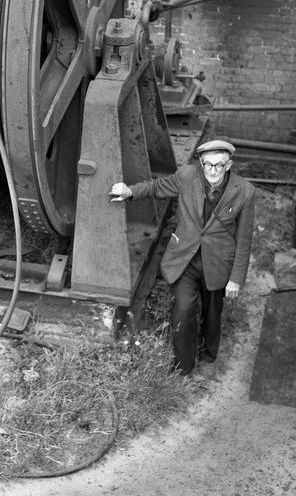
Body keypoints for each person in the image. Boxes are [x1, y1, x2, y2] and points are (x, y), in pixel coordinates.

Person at [109, 139, 255, 376]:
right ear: (201, 163)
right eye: (208, 165)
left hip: (218, 262)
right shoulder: (187, 176)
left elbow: (244, 239)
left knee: (212, 312)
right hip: (185, 259)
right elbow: (157, 187)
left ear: (228, 165)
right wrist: (130, 191)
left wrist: (236, 279)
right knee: (183, 310)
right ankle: (183, 367)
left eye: (219, 165)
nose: (213, 171)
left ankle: (208, 355)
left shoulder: (245, 192)